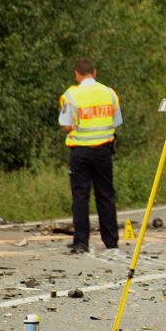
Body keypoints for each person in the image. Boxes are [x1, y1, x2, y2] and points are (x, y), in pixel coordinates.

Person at [58, 58, 122, 254]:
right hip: (103, 150)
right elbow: (116, 121)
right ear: (94, 72)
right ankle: (111, 241)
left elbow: (65, 125)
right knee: (106, 195)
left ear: (77, 74)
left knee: (80, 196)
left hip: (80, 151)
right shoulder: (109, 93)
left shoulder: (70, 95)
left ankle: (81, 242)